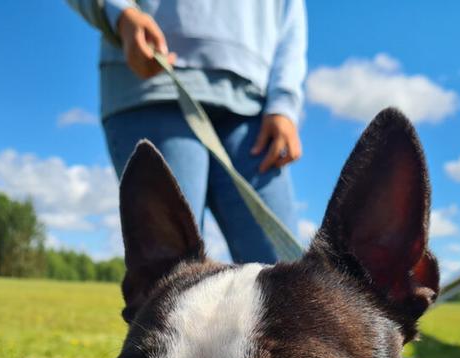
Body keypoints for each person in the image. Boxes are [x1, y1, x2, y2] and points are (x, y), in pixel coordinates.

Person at [67, 0, 306, 264]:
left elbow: (291, 15)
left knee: (287, 272)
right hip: (151, 88)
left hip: (253, 109)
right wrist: (121, 13)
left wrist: (285, 102)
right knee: (171, 273)